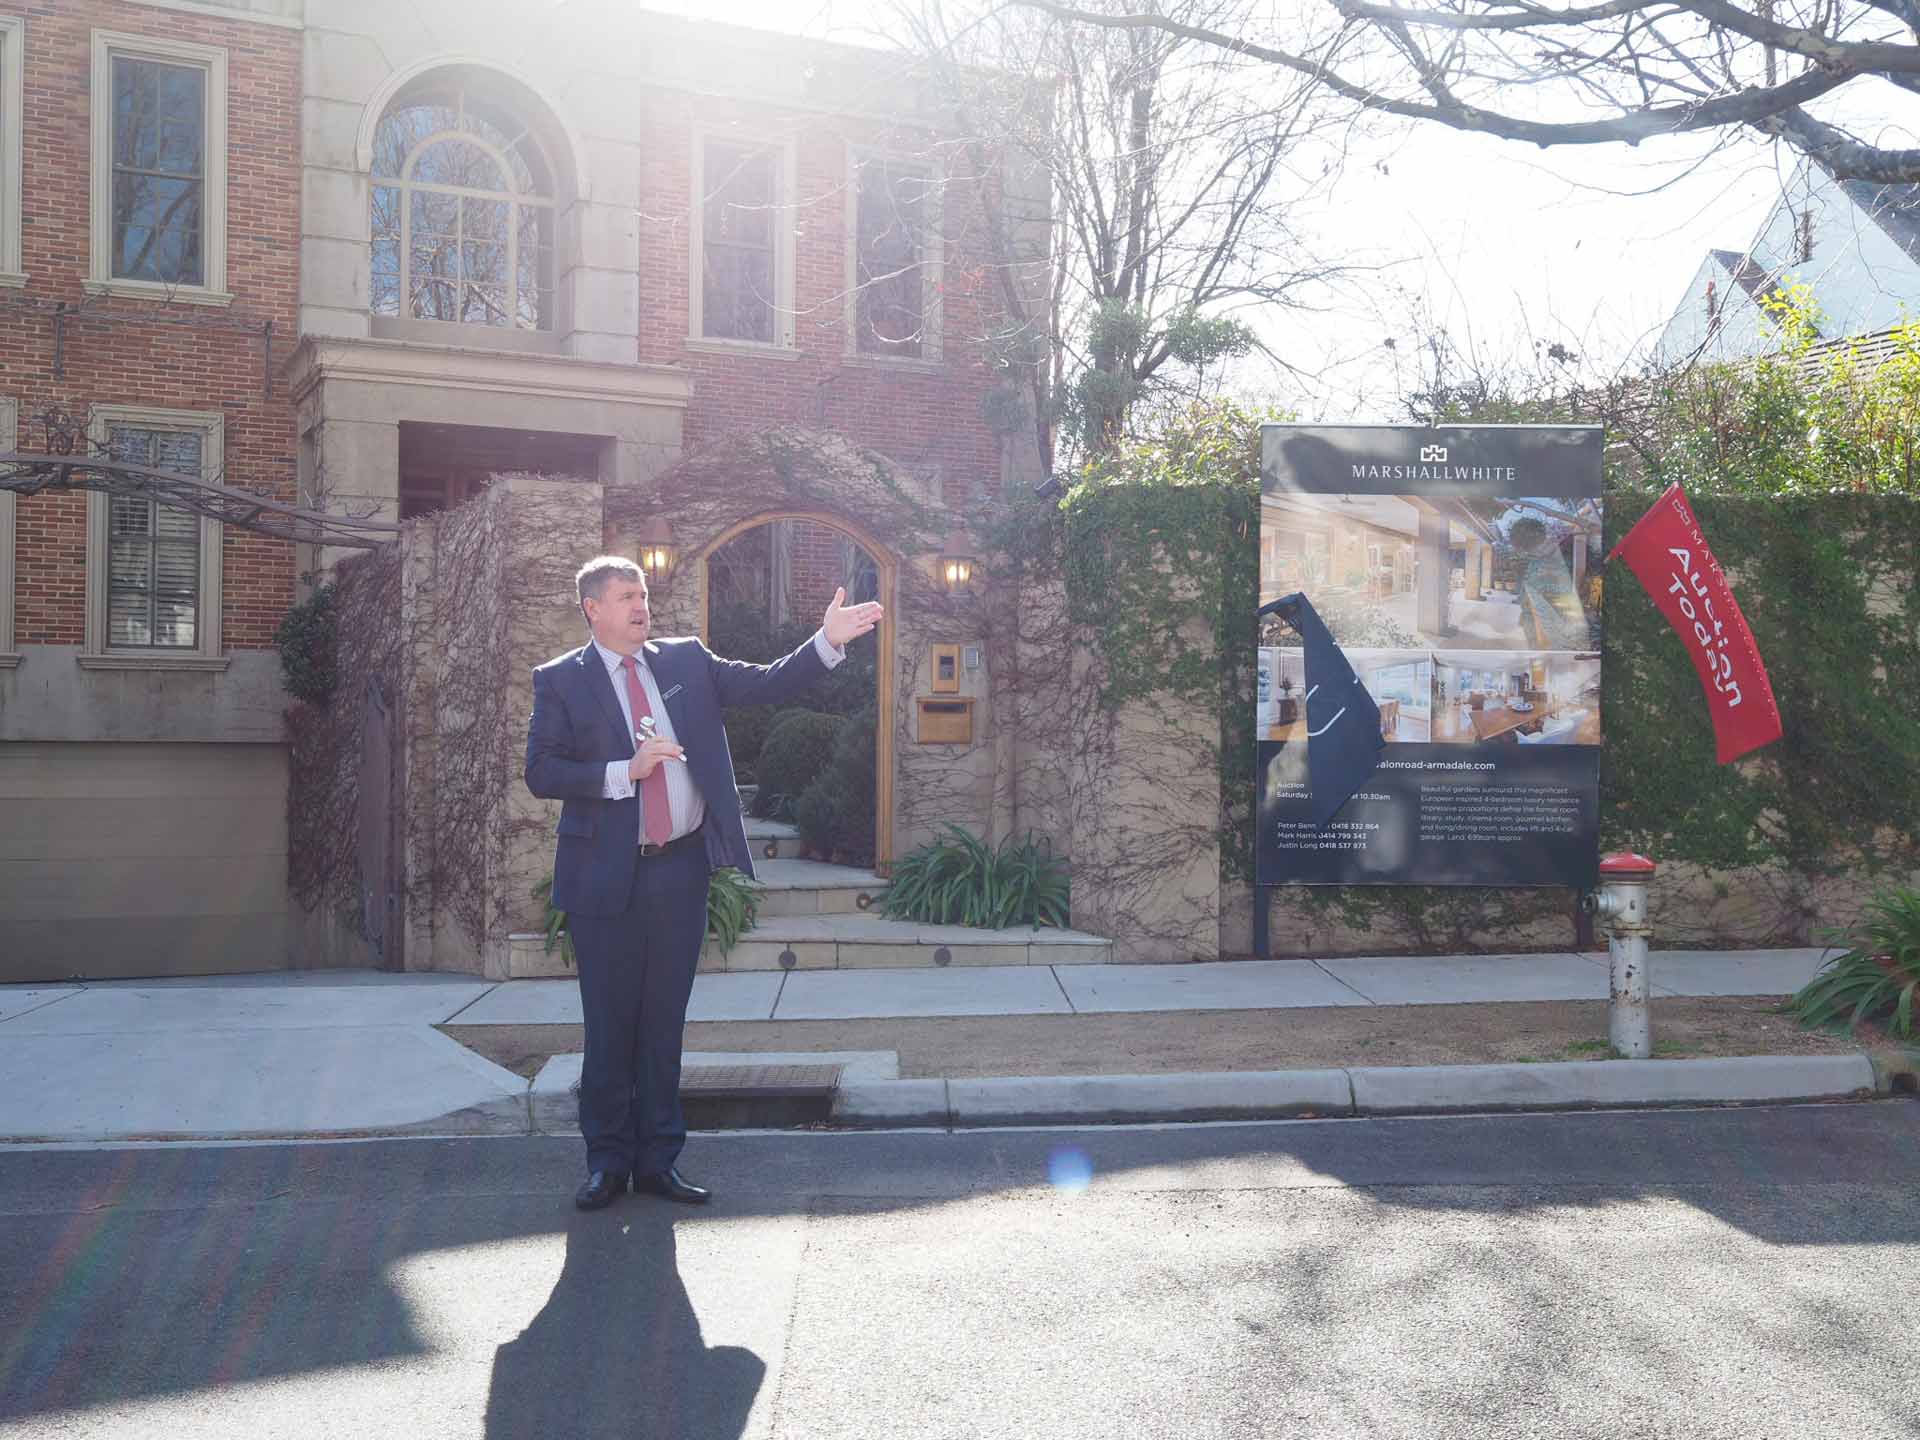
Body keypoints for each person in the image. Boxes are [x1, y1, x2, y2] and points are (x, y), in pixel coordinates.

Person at [524, 555, 882, 1210]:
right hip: (605, 878)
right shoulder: (561, 682)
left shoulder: (685, 661)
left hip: (680, 870)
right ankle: (606, 1163)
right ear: (593, 608)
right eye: (627, 596)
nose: (641, 606)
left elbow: (768, 683)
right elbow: (542, 771)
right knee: (609, 1027)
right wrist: (622, 771)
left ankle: (660, 1161)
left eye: (644, 595)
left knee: (664, 1025)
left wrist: (827, 641)